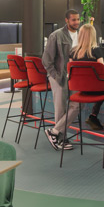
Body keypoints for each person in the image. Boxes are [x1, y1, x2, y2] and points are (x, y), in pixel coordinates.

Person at [69, 23, 104, 132]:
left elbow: (70, 73)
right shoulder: (96, 50)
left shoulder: (73, 52)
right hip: (96, 90)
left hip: (81, 90)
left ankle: (93, 116)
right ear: (93, 36)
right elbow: (103, 73)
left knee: (101, 87)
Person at [42, 9, 80, 151]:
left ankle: (54, 132)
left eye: (78, 19)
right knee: (60, 108)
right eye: (73, 20)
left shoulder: (81, 35)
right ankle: (60, 139)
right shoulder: (56, 36)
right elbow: (46, 61)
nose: (76, 22)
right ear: (67, 20)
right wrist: (56, 76)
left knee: (76, 105)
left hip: (75, 78)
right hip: (59, 76)